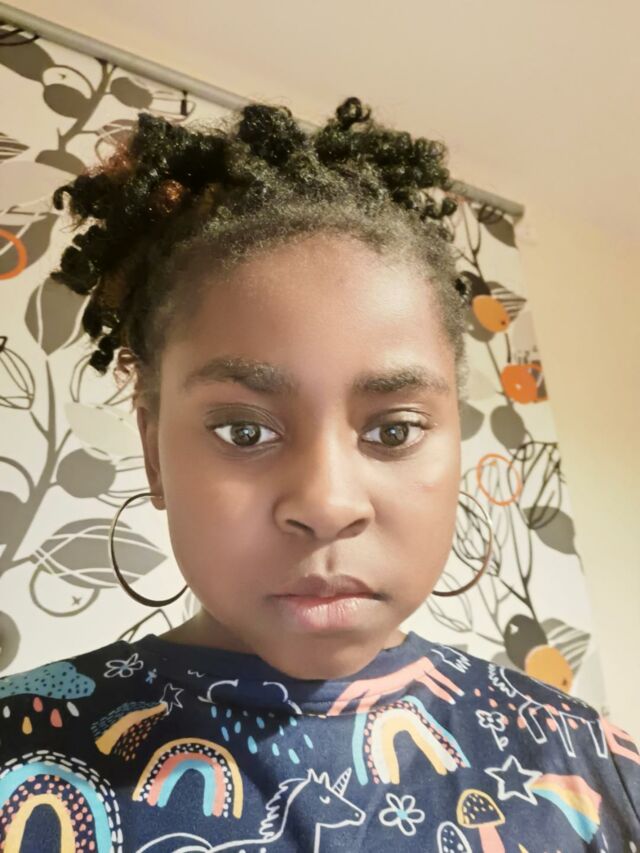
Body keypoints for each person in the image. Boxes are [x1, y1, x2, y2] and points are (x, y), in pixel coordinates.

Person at [0, 97, 637, 851]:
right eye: (244, 430)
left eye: (393, 430)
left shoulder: (594, 767)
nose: (328, 504)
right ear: (153, 448)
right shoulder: (19, 749)